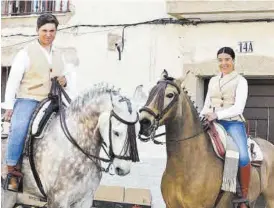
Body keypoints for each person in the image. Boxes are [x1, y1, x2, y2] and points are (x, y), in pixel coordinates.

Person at [3, 13, 74, 191]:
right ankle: (11, 168)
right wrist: (9, 106)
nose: (48, 34)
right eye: (44, 30)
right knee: (19, 126)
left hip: (52, 100)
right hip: (29, 98)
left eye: (52, 30)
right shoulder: (25, 53)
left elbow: (66, 76)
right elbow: (12, 81)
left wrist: (65, 80)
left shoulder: (59, 55)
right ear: (37, 31)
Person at [200, 47, 250, 208]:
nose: (224, 63)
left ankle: (243, 195)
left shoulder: (241, 81)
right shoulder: (213, 80)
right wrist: (202, 116)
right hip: (211, 122)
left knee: (242, 156)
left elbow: (238, 108)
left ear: (233, 61)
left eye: (227, 59)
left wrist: (217, 115)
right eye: (220, 60)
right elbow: (207, 103)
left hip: (232, 123)